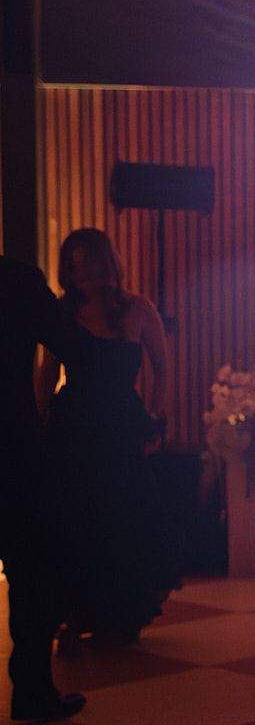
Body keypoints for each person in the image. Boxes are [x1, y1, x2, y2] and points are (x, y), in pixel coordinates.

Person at [37, 229, 177, 643]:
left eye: (89, 262)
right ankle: (78, 613)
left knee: (125, 517)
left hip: (120, 425)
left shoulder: (138, 310)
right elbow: (47, 372)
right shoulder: (63, 312)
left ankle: (121, 611)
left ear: (106, 262)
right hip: (74, 426)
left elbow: (163, 368)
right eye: (74, 264)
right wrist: (39, 425)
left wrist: (155, 417)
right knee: (77, 520)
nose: (82, 272)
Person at [0, 255, 84, 723]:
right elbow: (73, 347)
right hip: (11, 445)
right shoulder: (16, 280)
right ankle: (32, 692)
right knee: (31, 574)